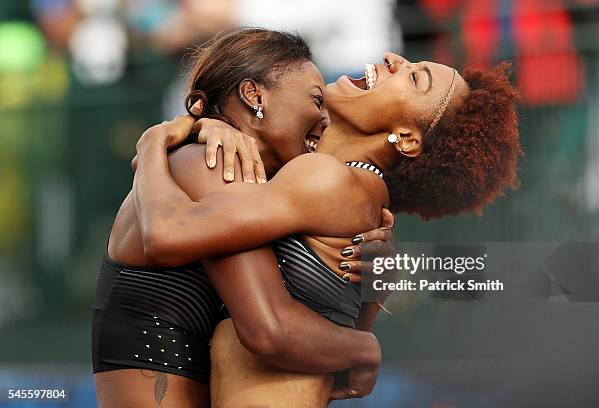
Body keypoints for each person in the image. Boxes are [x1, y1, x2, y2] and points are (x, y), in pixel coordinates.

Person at [131, 45, 522, 407]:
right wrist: (208, 126)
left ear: (406, 138)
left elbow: (167, 235)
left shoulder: (328, 182)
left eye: (415, 78)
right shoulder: (342, 194)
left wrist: (153, 143)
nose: (391, 58)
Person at [92, 28, 394, 408]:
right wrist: (366, 349)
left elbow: (317, 339)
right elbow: (271, 332)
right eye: (316, 101)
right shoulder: (213, 162)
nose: (325, 119)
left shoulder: (252, 186)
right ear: (255, 95)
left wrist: (374, 276)